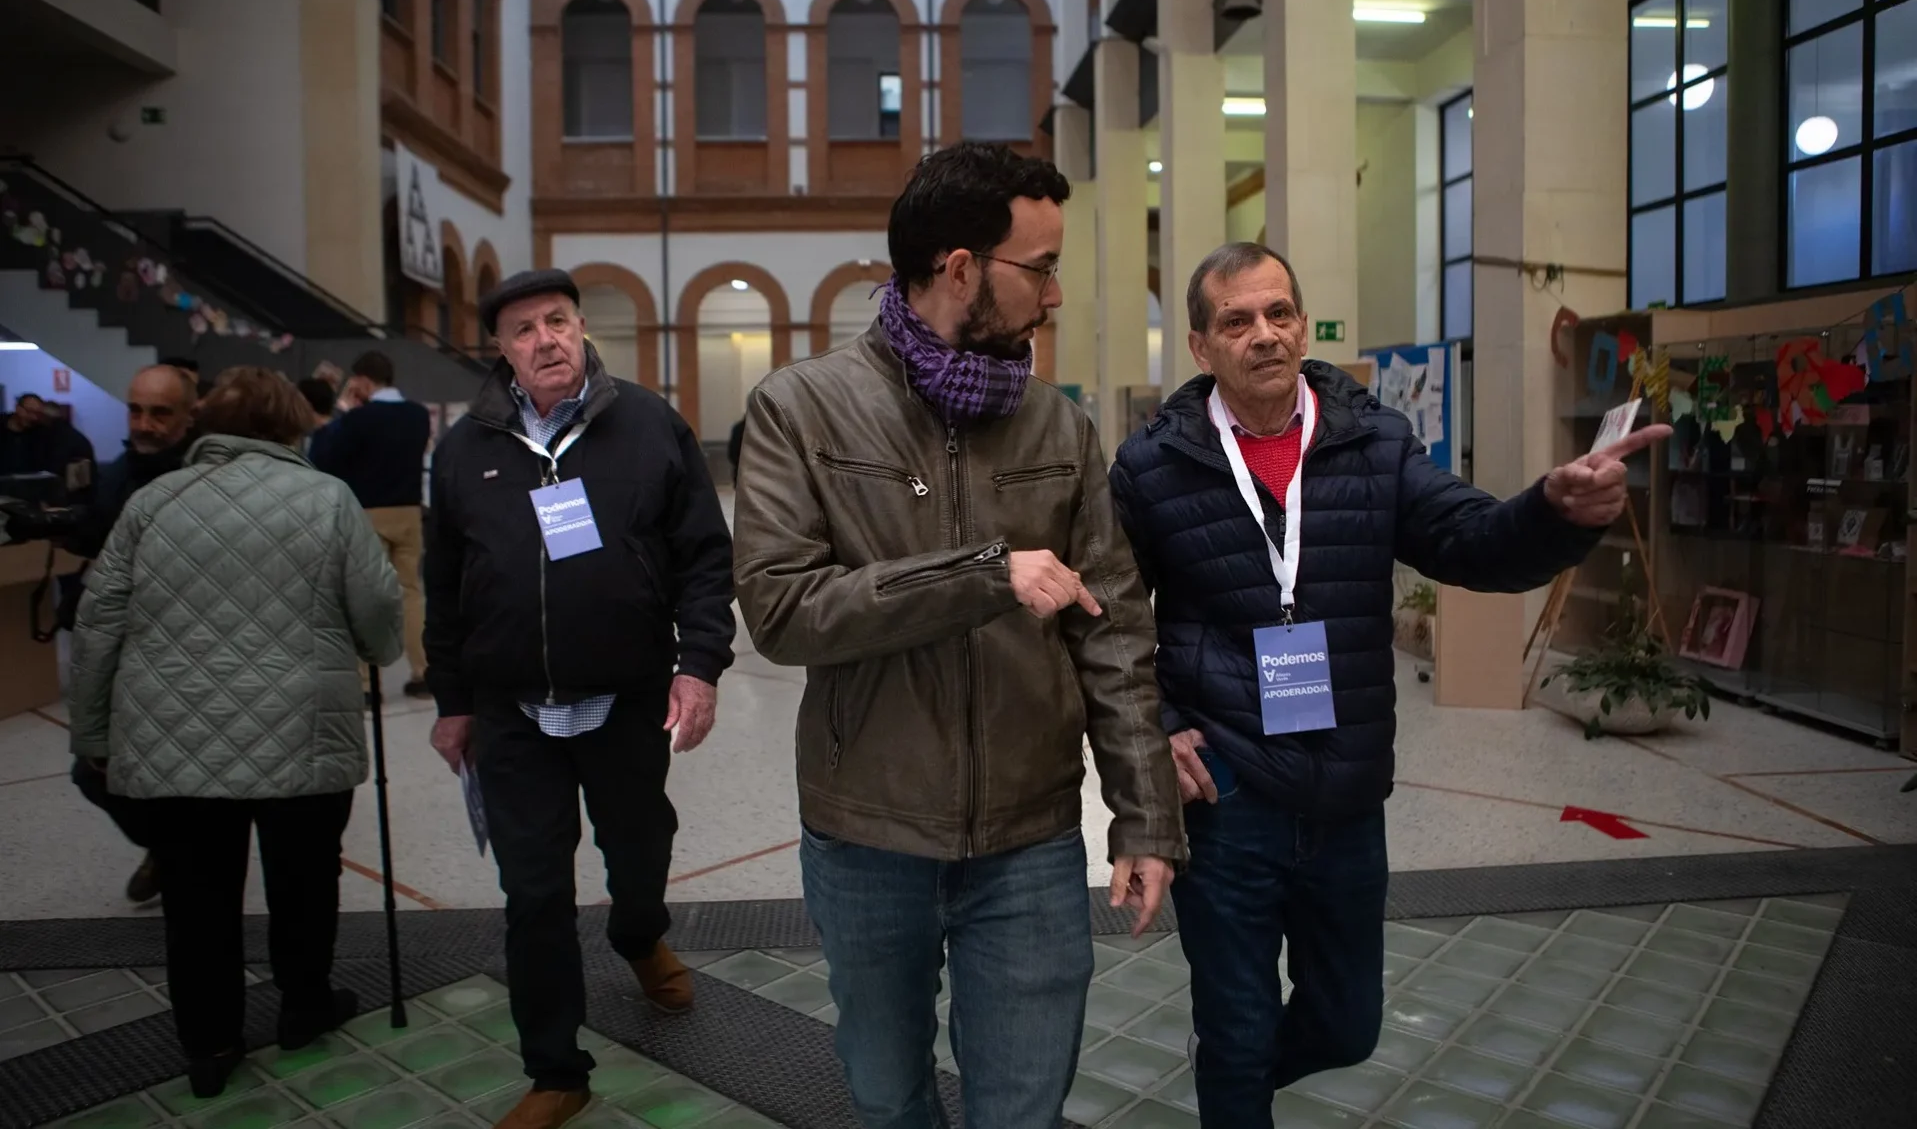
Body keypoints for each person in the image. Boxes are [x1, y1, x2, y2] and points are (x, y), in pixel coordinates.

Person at [1108, 243, 1670, 1127]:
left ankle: (1237, 1069)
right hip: (1225, 789)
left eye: (1279, 312)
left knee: (1345, 1027)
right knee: (1239, 1023)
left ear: (1301, 321)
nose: (1265, 334)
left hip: (1345, 792)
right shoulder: (1150, 467)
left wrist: (1553, 511)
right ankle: (1234, 1070)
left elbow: (1471, 542)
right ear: (1200, 346)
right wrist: (1161, 728)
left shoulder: (1373, 442)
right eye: (1237, 321)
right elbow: (1112, 622)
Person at [732, 142, 1185, 1129]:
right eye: (1044, 268)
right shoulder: (800, 410)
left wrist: (1145, 817)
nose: (1055, 297)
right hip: (868, 837)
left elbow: (1114, 635)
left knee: (1023, 1106)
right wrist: (980, 574)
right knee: (888, 1097)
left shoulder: (1057, 431)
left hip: (1029, 838)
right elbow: (781, 610)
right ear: (961, 267)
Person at [422, 269, 735, 1129]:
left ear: (581, 326)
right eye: (522, 330)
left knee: (639, 847)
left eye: (556, 321)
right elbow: (442, 587)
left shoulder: (646, 424)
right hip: (510, 710)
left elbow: (703, 556)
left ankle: (639, 935)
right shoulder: (465, 450)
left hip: (625, 696)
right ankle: (556, 1068)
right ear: (501, 350)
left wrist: (698, 664)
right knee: (533, 894)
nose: (544, 340)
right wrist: (453, 700)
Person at [67, 366, 403, 1099]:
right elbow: (379, 615)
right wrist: (381, 650)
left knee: (196, 895)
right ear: (292, 428)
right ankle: (303, 1005)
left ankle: (210, 1043)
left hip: (172, 735)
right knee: (305, 878)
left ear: (203, 426)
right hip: (303, 730)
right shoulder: (327, 499)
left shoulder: (152, 503)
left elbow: (97, 624)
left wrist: (91, 735)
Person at [62, 363, 199, 905]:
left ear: (191, 417)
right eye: (137, 410)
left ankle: (183, 854)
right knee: (92, 772)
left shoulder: (199, 477)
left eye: (161, 413)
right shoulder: (118, 471)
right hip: (120, 651)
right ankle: (168, 849)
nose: (145, 424)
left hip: (187, 649)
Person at [311, 352, 432, 698]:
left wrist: (345, 413)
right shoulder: (418, 415)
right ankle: (423, 671)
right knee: (410, 592)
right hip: (409, 513)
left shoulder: (359, 418)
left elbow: (325, 456)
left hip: (368, 514)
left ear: (362, 381)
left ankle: (366, 684)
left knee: (365, 595)